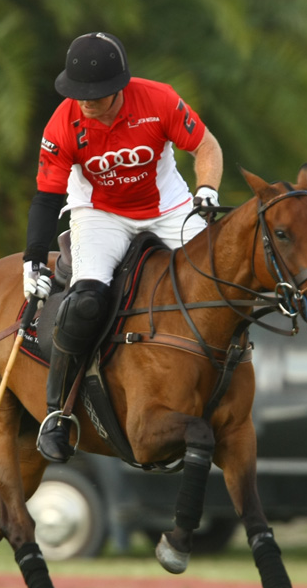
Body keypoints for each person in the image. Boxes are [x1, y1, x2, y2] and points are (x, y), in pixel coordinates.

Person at [23, 31, 223, 463]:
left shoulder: (160, 101)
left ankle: (231, 384)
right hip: (100, 215)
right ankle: (57, 412)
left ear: (120, 88)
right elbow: (46, 197)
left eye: (96, 94)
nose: (87, 102)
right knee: (85, 302)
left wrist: (206, 190)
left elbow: (205, 145)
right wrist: (33, 259)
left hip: (168, 208)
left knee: (215, 281)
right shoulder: (63, 123)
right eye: (79, 93)